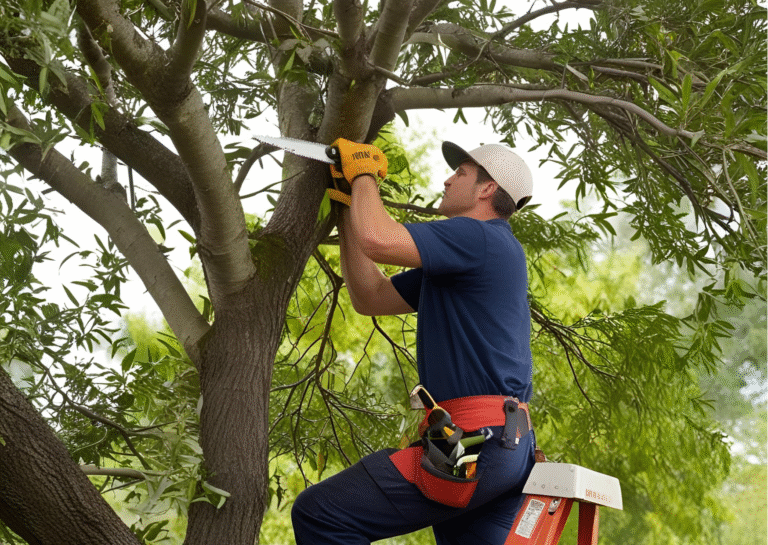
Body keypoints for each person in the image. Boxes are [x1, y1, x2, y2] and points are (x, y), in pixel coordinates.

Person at [292, 138, 537, 545]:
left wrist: (364, 173)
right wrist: (349, 206)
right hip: (502, 446)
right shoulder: (471, 256)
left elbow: (379, 240)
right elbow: (371, 297)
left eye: (459, 173)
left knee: (323, 514)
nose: (446, 180)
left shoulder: (478, 237)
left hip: (478, 441)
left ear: (486, 189)